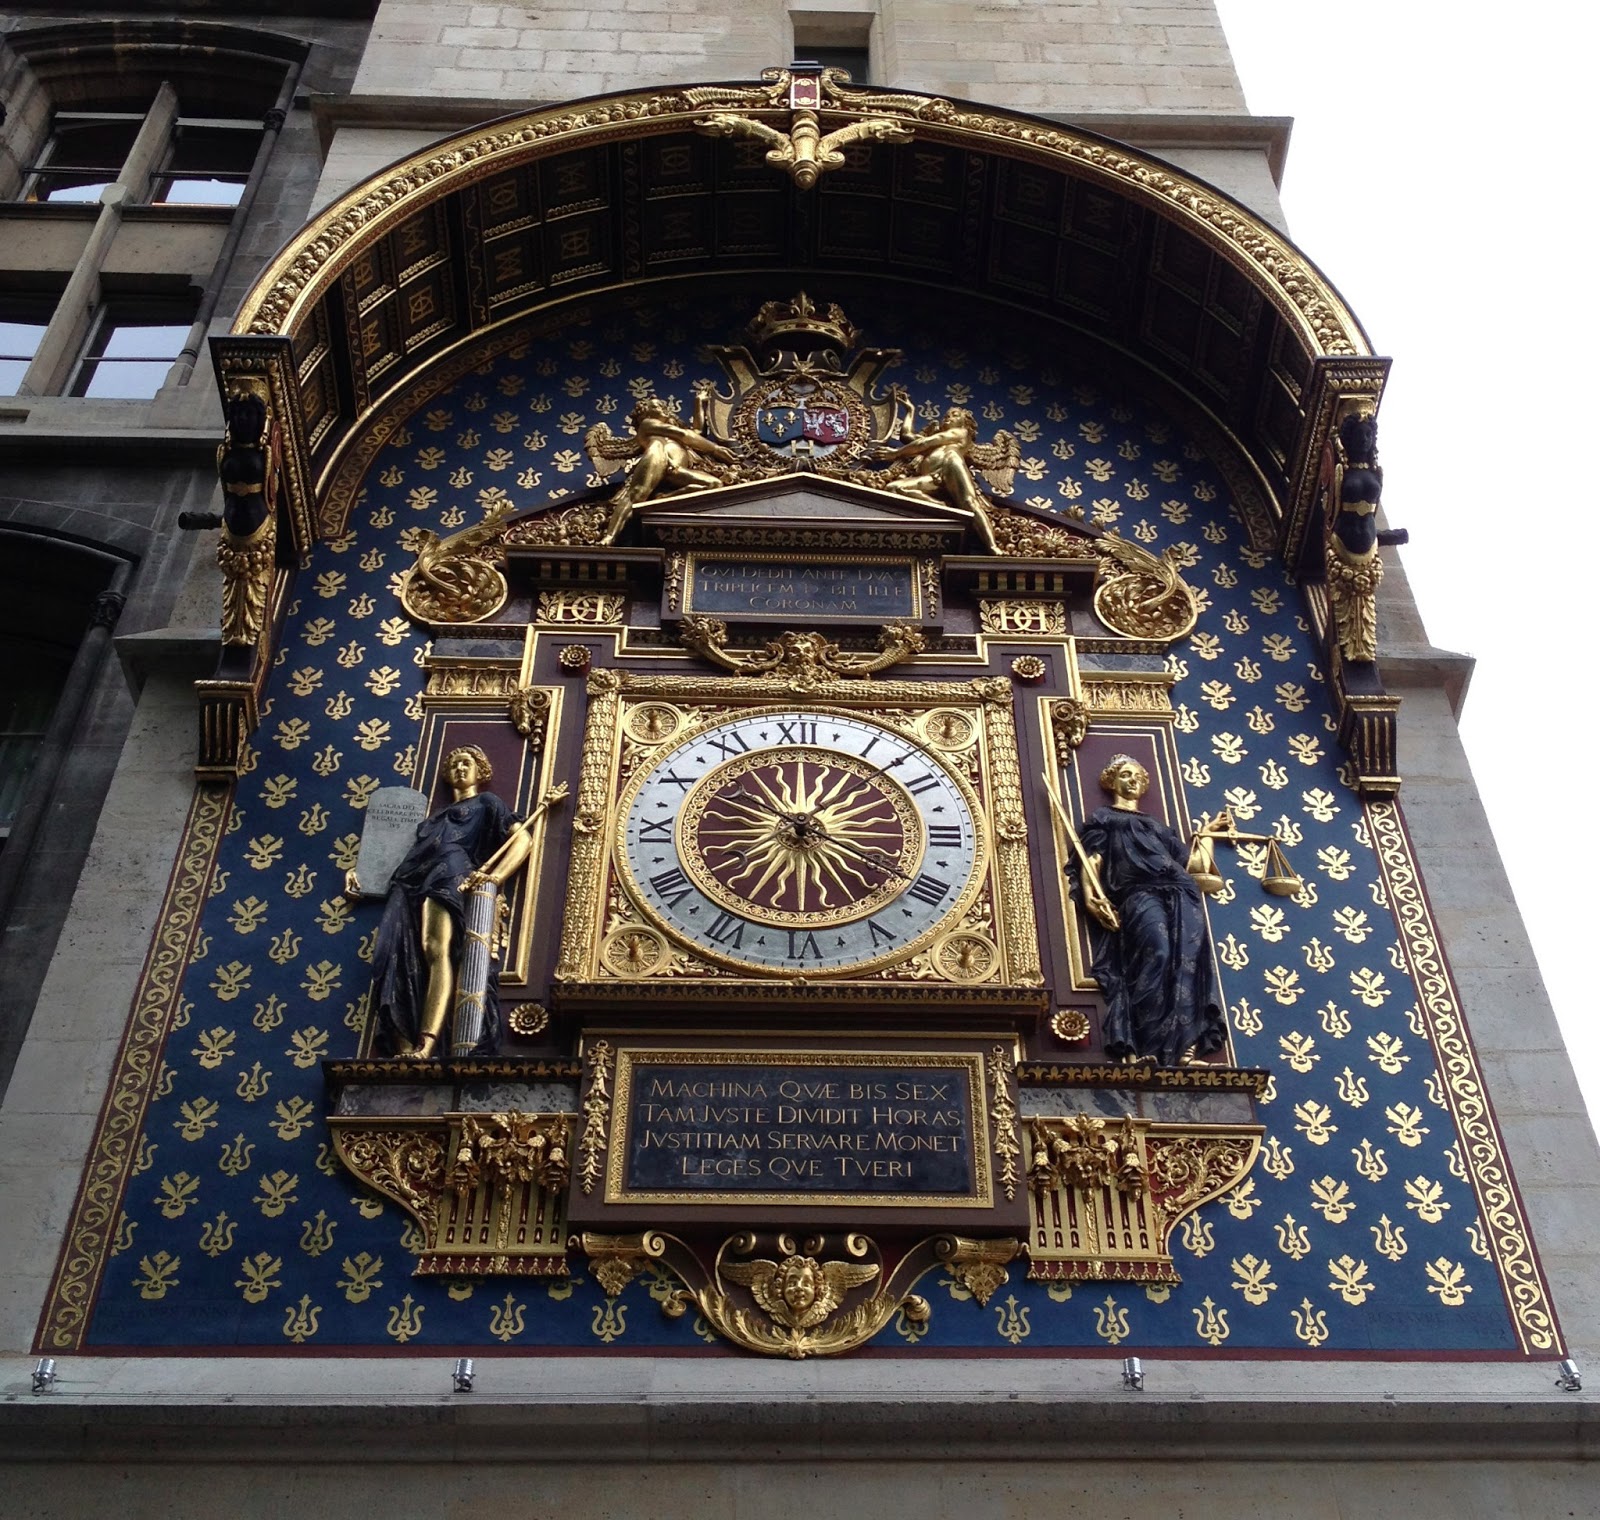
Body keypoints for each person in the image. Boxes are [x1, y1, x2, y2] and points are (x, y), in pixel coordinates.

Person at [1070, 755, 1226, 1067]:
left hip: (1182, 894)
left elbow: (1194, 867)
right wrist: (1090, 896)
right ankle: (1150, 1050)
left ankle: (1184, 1052)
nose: (1132, 780)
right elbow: (1093, 861)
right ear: (1113, 782)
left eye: (1137, 776)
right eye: (1125, 775)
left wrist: (1206, 836)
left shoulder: (1160, 828)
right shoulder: (1105, 818)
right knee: (1158, 954)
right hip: (1139, 893)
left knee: (1186, 966)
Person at [371, 746, 522, 1060]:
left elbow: (523, 840)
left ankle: (426, 1042)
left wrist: (495, 877)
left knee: (436, 950)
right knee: (401, 952)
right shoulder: (435, 817)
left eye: (466, 763)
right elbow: (402, 858)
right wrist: (362, 878)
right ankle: (405, 1036)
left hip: (449, 875)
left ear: (481, 771)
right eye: (453, 764)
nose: (460, 768)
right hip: (412, 882)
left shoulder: (487, 803)